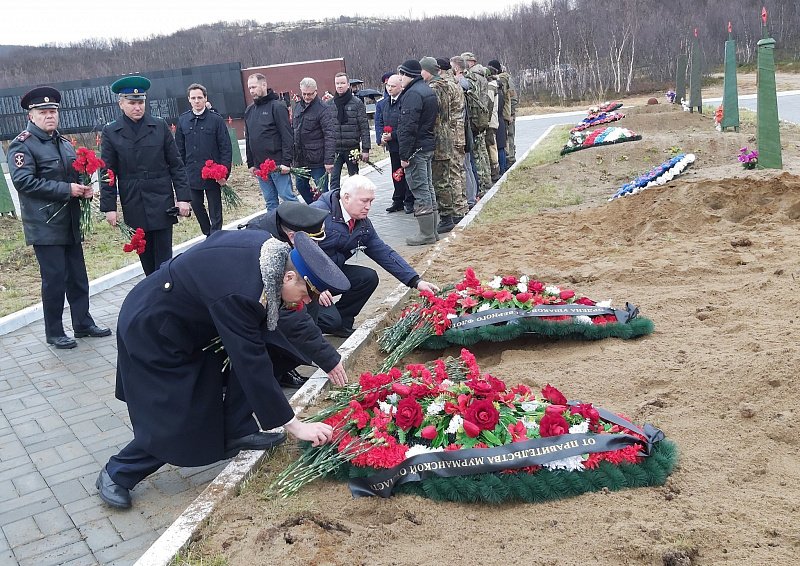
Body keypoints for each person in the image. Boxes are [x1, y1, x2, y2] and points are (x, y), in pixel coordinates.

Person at [95, 230, 350, 509]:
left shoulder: (271, 260)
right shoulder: (242, 292)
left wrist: (329, 358)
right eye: (305, 294)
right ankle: (118, 472)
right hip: (154, 330)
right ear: (289, 277)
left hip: (188, 323)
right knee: (177, 416)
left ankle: (237, 429)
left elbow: (283, 322)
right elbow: (250, 361)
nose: (306, 302)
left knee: (270, 350)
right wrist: (295, 425)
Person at [7, 86, 111, 349]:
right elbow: (24, 182)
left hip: (70, 221)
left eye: (53, 111)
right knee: (54, 280)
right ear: (31, 116)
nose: (49, 116)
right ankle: (54, 331)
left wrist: (84, 187)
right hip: (45, 225)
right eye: (43, 112)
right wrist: (66, 190)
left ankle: (83, 323)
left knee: (77, 277)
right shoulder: (23, 145)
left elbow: (73, 174)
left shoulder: (64, 143)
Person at [310, 175, 439, 337]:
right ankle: (306, 323)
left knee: (367, 278)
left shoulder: (361, 223)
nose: (368, 207)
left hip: (330, 273)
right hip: (304, 280)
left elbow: (383, 252)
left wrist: (416, 281)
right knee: (329, 321)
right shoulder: (318, 214)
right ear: (346, 197)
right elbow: (297, 252)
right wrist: (315, 286)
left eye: (371, 201)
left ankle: (342, 322)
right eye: (364, 201)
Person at [241, 202, 345, 389]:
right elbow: (289, 315)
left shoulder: (284, 238)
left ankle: (288, 363)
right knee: (295, 314)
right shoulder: (268, 251)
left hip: (263, 307)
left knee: (307, 302)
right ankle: (279, 370)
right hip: (241, 315)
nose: (315, 248)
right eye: (312, 243)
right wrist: (327, 358)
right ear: (292, 237)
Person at [100, 75, 191, 276]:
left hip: (161, 198)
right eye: (132, 103)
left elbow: (176, 164)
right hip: (134, 199)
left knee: (164, 259)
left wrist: (183, 198)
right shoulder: (111, 131)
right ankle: (152, 291)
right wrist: (109, 207)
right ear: (121, 104)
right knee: (146, 258)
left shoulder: (159, 126)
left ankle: (166, 291)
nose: (137, 107)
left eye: (140, 102)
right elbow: (107, 172)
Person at [175, 83, 233, 236]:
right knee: (196, 205)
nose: (197, 101)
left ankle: (216, 236)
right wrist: (181, 174)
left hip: (213, 174)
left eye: (199, 97)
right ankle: (208, 234)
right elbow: (179, 150)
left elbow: (225, 148)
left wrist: (224, 173)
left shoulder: (216, 120)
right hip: (192, 173)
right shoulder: (183, 120)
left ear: (205, 98)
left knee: (215, 208)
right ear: (189, 99)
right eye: (193, 98)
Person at [419, 57, 467, 234]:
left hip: (443, 135)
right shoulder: (450, 84)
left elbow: (436, 114)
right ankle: (458, 208)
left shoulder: (436, 87)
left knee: (445, 177)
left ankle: (451, 214)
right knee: (454, 172)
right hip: (452, 132)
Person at [396, 59, 439, 246]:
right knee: (428, 188)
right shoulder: (426, 90)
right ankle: (432, 231)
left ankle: (426, 234)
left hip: (416, 149)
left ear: (408, 75)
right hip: (426, 145)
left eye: (401, 74)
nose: (400, 78)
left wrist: (404, 156)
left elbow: (408, 127)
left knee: (420, 189)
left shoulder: (413, 94)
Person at [244, 73, 297, 210]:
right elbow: (249, 138)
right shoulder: (249, 110)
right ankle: (275, 223)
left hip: (277, 164)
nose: (251, 91)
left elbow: (287, 136)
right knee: (270, 201)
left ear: (264, 85)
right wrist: (251, 163)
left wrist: (286, 162)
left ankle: (302, 221)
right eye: (249, 88)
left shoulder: (277, 107)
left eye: (254, 87)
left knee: (287, 197)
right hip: (260, 166)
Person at [292, 77, 336, 203]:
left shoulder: (323, 109)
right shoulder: (297, 107)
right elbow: (294, 130)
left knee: (323, 190)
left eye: (310, 94)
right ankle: (315, 208)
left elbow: (330, 135)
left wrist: (329, 160)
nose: (307, 97)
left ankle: (328, 210)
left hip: (318, 159)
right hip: (300, 158)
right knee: (300, 186)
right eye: (304, 94)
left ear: (316, 91)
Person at [379, 74, 414, 214]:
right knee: (396, 173)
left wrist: (393, 135)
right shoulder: (384, 103)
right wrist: (382, 137)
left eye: (393, 86)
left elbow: (406, 125)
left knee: (407, 173)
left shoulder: (405, 101)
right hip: (392, 146)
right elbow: (380, 122)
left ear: (401, 87)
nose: (389, 89)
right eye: (388, 86)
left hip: (404, 144)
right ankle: (398, 199)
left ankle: (409, 200)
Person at [329, 72, 370, 191]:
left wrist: (366, 149)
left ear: (348, 84)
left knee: (354, 180)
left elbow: (364, 126)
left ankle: (356, 200)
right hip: (335, 149)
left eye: (342, 83)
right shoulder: (330, 104)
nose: (339, 86)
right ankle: (334, 201)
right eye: (337, 83)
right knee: (334, 180)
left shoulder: (357, 103)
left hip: (352, 148)